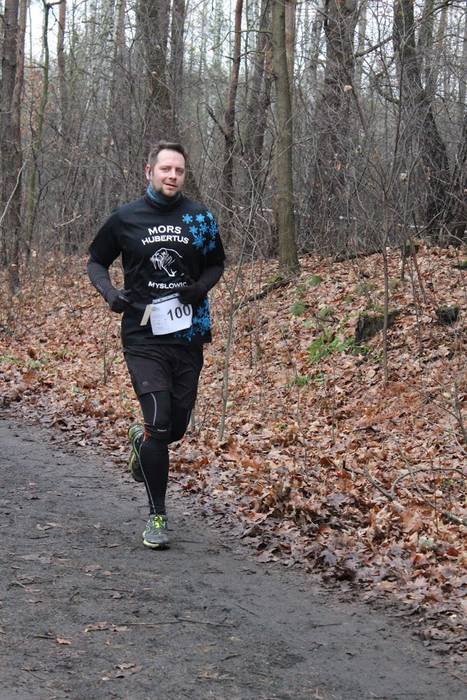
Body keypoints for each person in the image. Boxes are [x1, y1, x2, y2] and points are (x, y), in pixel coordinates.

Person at [87, 141, 225, 549]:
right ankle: (157, 516)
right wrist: (110, 293)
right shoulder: (125, 218)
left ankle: (141, 441)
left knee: (174, 427)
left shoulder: (199, 217)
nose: (172, 176)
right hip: (142, 334)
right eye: (165, 169)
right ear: (149, 171)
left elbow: (217, 262)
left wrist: (199, 288)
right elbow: (95, 261)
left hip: (187, 335)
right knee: (159, 421)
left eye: (179, 170)